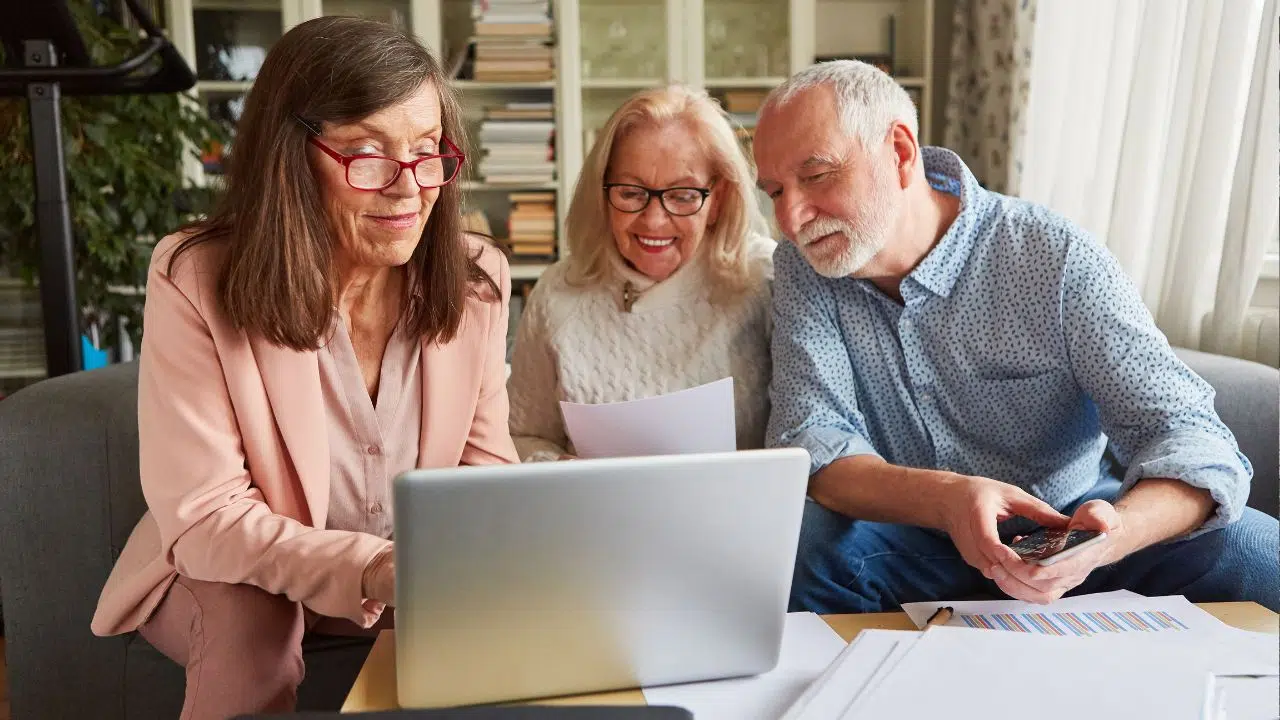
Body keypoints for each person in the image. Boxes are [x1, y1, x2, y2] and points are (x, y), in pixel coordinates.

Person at [90, 17, 518, 719]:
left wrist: (439, 567)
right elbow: (208, 514)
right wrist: (371, 567)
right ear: (291, 155)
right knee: (250, 629)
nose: (408, 188)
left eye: (426, 152)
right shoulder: (193, 276)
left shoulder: (478, 280)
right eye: (368, 155)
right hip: (231, 565)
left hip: (407, 574)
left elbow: (486, 475)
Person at [752, 60, 1279, 614]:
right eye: (776, 191)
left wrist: (1111, 536)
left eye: (815, 176)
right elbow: (813, 439)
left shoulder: (1053, 258)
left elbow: (1188, 432)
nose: (790, 217)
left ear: (901, 152)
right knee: (792, 545)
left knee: (1257, 550)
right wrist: (948, 499)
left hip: (1071, 532)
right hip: (908, 541)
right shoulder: (803, 266)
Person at [507, 85, 776, 460]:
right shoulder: (557, 293)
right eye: (631, 193)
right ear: (602, 194)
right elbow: (523, 436)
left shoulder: (765, 280)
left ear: (719, 201)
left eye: (682, 195)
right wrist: (566, 471)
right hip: (593, 514)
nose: (653, 221)